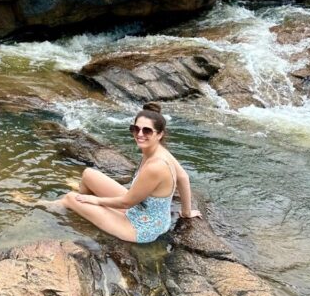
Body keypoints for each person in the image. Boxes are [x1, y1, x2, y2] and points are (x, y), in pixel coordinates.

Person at [27, 102, 201, 243]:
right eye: (136, 129)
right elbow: (183, 177)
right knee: (88, 174)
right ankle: (81, 207)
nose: (140, 134)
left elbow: (127, 202)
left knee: (70, 198)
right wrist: (186, 212)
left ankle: (64, 205)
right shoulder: (159, 151)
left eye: (147, 130)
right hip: (139, 210)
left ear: (159, 134)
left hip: (141, 228)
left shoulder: (156, 166)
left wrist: (95, 200)